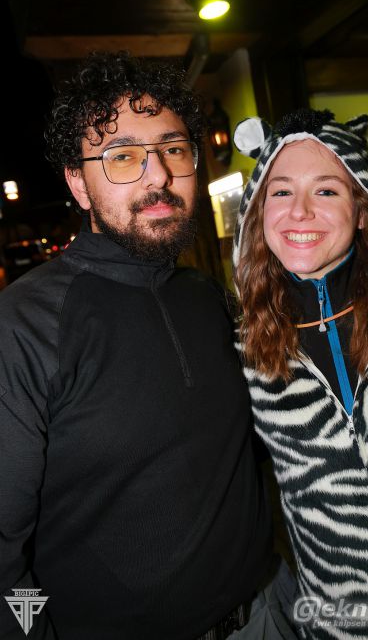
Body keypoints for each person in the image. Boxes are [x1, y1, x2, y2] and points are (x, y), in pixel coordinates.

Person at [0, 51, 279, 640]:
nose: (158, 176)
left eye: (173, 149)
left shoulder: (209, 297)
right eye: (123, 156)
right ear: (78, 183)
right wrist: (31, 632)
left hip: (269, 613)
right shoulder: (24, 325)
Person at [232, 109, 368, 638]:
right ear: (258, 212)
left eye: (326, 190)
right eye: (281, 192)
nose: (300, 211)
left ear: (364, 210)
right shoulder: (242, 352)